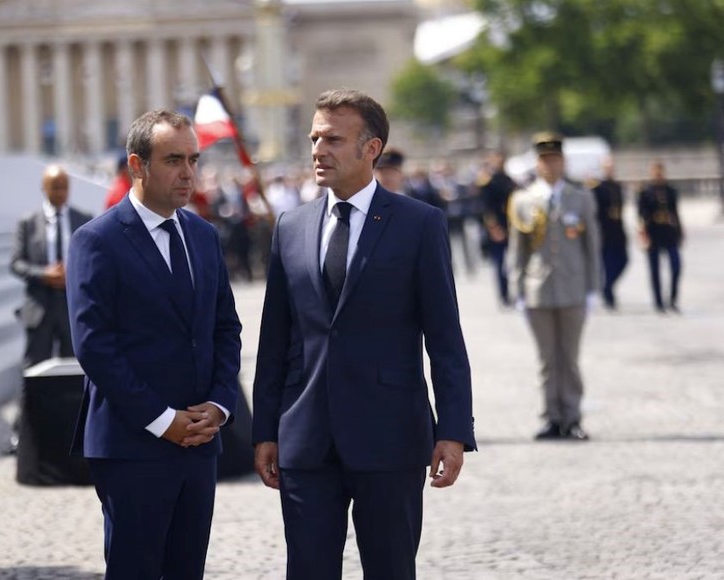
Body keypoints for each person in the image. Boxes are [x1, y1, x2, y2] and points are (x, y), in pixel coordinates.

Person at [252, 89, 475, 580]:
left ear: (370, 148)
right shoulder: (290, 226)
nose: (317, 149)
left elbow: (444, 337)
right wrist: (265, 429)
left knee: (391, 569)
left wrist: (454, 430)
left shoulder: (419, 224)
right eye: (314, 137)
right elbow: (275, 341)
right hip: (305, 438)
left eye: (333, 138)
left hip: (390, 436)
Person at [66, 109, 242, 580]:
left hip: (199, 443)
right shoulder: (96, 240)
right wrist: (162, 421)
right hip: (132, 446)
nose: (188, 173)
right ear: (137, 165)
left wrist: (221, 404)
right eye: (173, 160)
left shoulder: (203, 236)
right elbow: (94, 346)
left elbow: (225, 328)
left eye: (193, 160)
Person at [507, 132, 600, 441]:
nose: (550, 165)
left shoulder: (581, 197)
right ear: (537, 163)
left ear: (563, 162)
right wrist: (516, 290)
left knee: (569, 358)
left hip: (573, 288)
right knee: (547, 360)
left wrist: (592, 289)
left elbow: (592, 245)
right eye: (545, 160)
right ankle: (551, 417)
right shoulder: (523, 199)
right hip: (538, 289)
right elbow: (517, 250)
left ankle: (573, 418)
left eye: (555, 159)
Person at [10, 165, 92, 368]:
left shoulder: (83, 220)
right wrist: (43, 274)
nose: (61, 192)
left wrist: (72, 274)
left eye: (64, 187)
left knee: (74, 369)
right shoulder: (28, 222)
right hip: (40, 307)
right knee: (34, 369)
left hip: (71, 307)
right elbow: (16, 263)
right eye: (55, 187)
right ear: (44, 188)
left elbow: (91, 261)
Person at [637, 160, 683, 313]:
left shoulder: (670, 191)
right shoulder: (645, 192)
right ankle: (658, 302)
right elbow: (641, 216)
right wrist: (643, 235)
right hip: (653, 231)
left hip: (668, 231)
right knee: (654, 269)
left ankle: (673, 299)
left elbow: (675, 213)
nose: (658, 175)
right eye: (656, 172)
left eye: (660, 172)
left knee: (676, 266)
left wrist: (680, 231)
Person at [479, 151, 516, 307]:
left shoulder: (509, 180)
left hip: (511, 225)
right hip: (498, 227)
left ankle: (514, 293)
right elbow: (486, 209)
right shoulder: (488, 182)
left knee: (513, 262)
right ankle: (503, 294)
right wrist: (493, 228)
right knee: (500, 263)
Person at [591, 157, 629, 310]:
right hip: (605, 230)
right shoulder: (598, 188)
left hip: (618, 228)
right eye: (607, 168)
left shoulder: (618, 187)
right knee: (607, 264)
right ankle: (609, 296)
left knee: (623, 261)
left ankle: (607, 286)